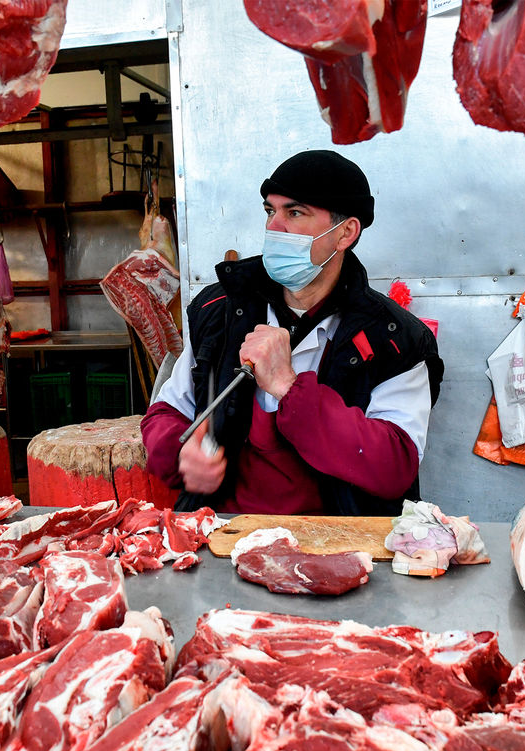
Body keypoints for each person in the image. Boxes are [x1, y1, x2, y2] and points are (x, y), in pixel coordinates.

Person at [141, 150, 443, 515]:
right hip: (222, 533)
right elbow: (166, 412)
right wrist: (180, 450)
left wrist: (289, 387)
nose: (274, 227)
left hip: (339, 547)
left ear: (345, 232)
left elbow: (395, 464)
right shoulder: (219, 310)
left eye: (295, 213)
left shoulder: (395, 339)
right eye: (270, 211)